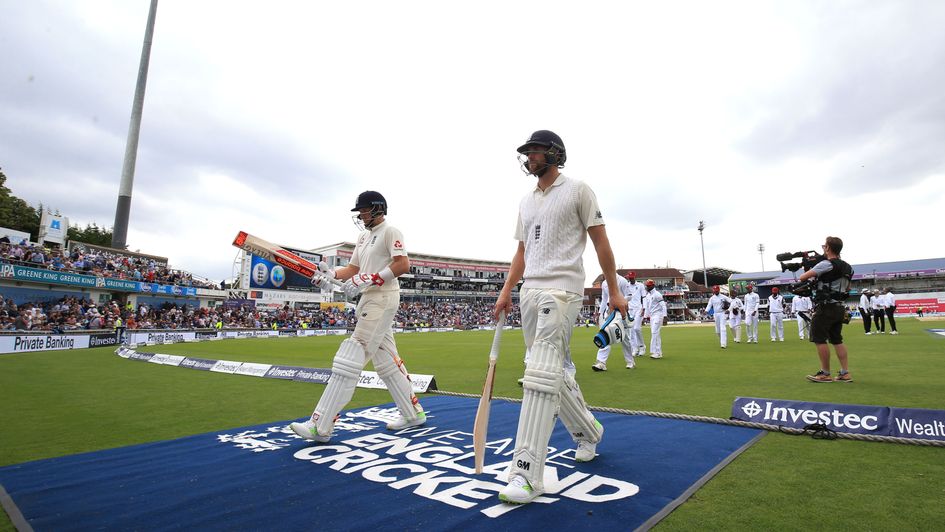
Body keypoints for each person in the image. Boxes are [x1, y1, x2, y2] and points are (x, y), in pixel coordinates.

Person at [494, 130, 628, 505]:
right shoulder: (526, 200)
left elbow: (601, 242)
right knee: (550, 370)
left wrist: (614, 290)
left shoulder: (578, 190)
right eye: (527, 153)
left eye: (535, 151)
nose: (529, 157)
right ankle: (587, 430)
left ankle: (526, 473)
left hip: (563, 288)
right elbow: (522, 251)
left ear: (554, 154)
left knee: (539, 372)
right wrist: (507, 291)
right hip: (530, 290)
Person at [291, 191, 426, 443]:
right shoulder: (363, 237)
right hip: (369, 298)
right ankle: (412, 413)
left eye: (363, 211)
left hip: (383, 297)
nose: (361, 215)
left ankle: (319, 426)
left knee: (351, 356)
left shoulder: (390, 231)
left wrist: (373, 277)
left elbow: (402, 264)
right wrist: (330, 274)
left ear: (377, 209)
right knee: (386, 362)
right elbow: (353, 270)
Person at [801, 236, 854, 382]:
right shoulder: (848, 267)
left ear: (829, 248)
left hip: (826, 307)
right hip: (840, 307)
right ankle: (845, 373)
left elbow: (803, 277)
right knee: (837, 339)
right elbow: (848, 287)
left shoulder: (826, 264)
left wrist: (809, 266)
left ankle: (825, 373)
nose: (824, 248)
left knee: (819, 338)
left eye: (825, 246)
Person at [592, 273, 635, 371]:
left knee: (625, 338)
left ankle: (630, 361)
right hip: (609, 312)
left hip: (621, 311)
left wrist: (620, 301)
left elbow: (629, 295)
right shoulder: (604, 283)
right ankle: (601, 362)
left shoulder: (622, 281)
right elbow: (604, 299)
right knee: (605, 334)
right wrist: (600, 313)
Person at [625, 272, 646, 356]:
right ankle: (635, 349)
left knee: (637, 328)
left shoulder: (640, 285)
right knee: (631, 330)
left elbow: (644, 297)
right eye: (629, 278)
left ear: (634, 277)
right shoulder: (626, 286)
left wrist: (644, 308)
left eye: (632, 278)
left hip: (638, 309)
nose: (630, 279)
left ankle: (642, 346)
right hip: (630, 310)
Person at [643, 279, 665, 358]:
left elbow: (663, 306)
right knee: (656, 334)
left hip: (658, 315)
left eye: (648, 286)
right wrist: (645, 317)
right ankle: (658, 352)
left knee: (654, 333)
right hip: (652, 316)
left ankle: (655, 351)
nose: (647, 287)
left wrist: (664, 316)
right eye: (647, 286)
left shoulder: (657, 294)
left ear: (652, 286)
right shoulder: (648, 295)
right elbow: (648, 308)